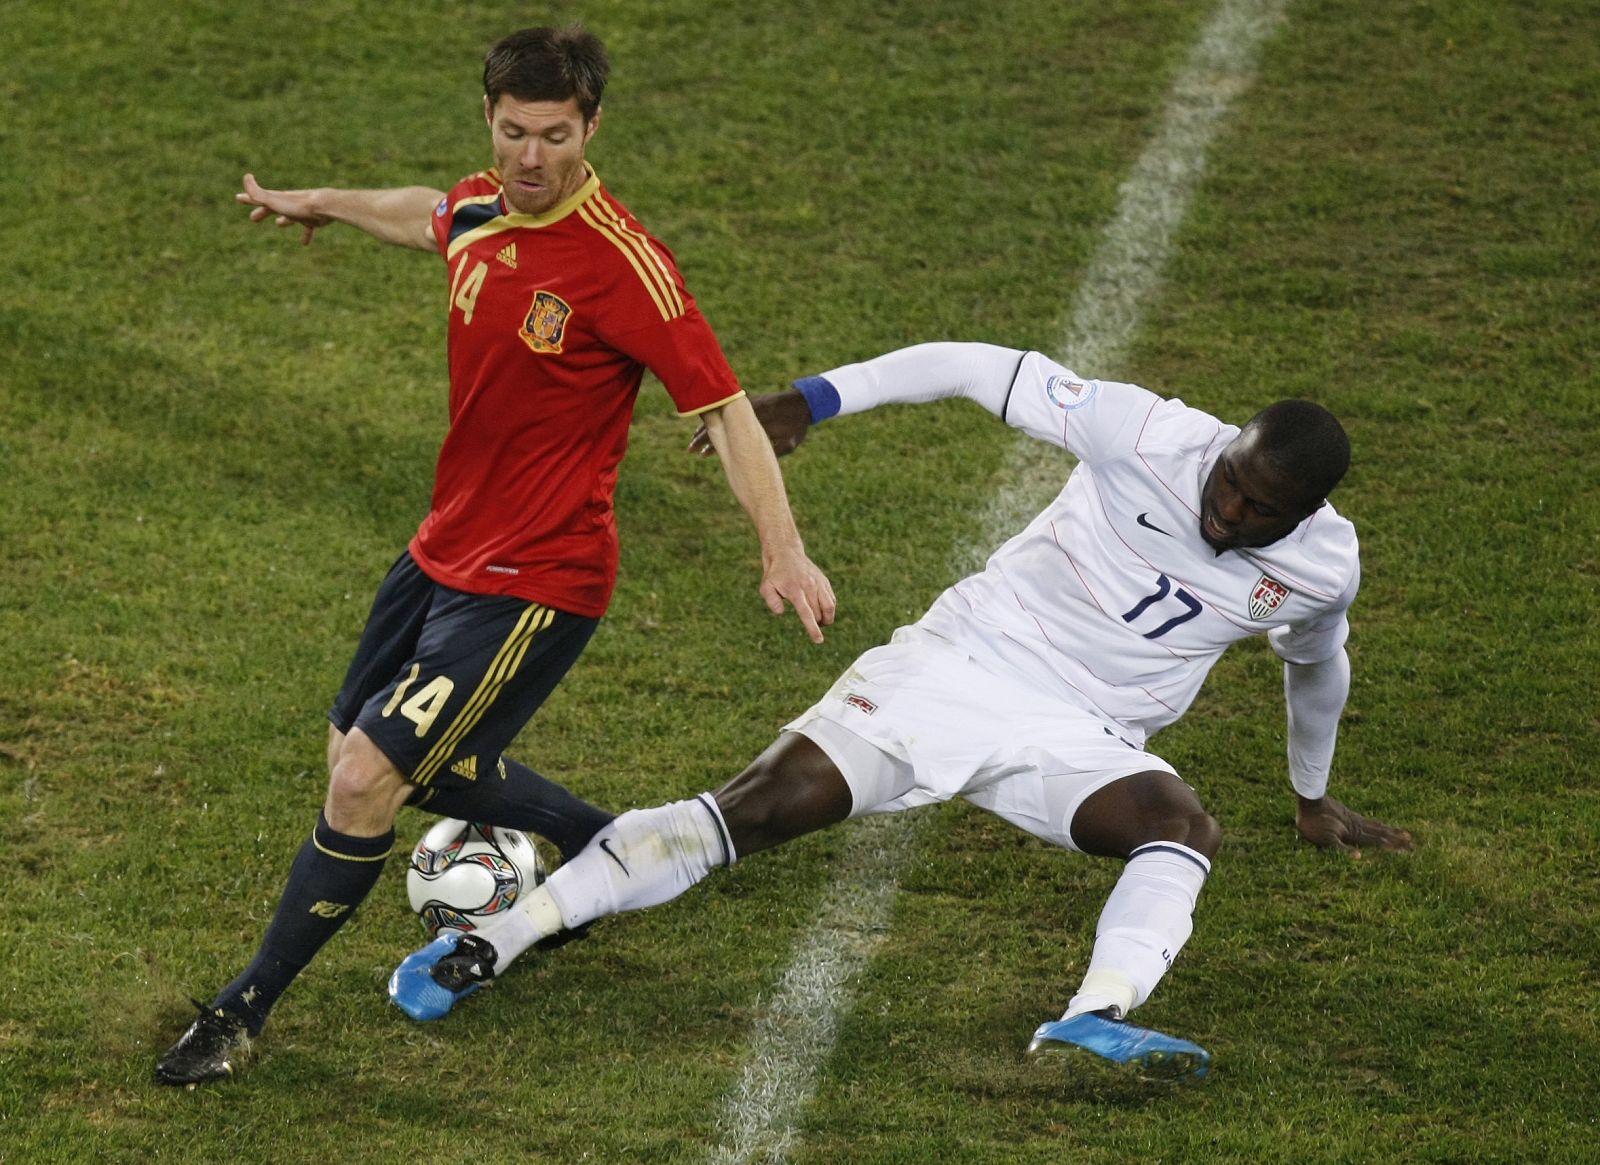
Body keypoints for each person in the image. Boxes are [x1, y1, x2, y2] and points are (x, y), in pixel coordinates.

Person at [388, 340, 1415, 1080]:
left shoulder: (1323, 567)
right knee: (753, 809)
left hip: (1081, 734)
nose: (1227, 511)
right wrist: (812, 400)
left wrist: (1311, 795)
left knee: (1180, 826)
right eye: (1230, 483)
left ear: (1304, 513)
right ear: (1226, 448)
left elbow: (1317, 668)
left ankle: (1096, 1015)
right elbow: (975, 366)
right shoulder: (1148, 432)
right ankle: (488, 943)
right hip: (961, 661)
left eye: (1258, 511)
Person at [154, 25, 835, 1087]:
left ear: (592, 126)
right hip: (441, 549)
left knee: (368, 780)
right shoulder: (481, 207)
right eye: (514, 131)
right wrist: (320, 201)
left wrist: (781, 550)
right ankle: (609, 843)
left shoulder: (623, 265)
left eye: (554, 136)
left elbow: (726, 409)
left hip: (540, 578)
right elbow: (426, 213)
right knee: (356, 752)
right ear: (490, 118)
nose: (530, 157)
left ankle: (241, 1014)